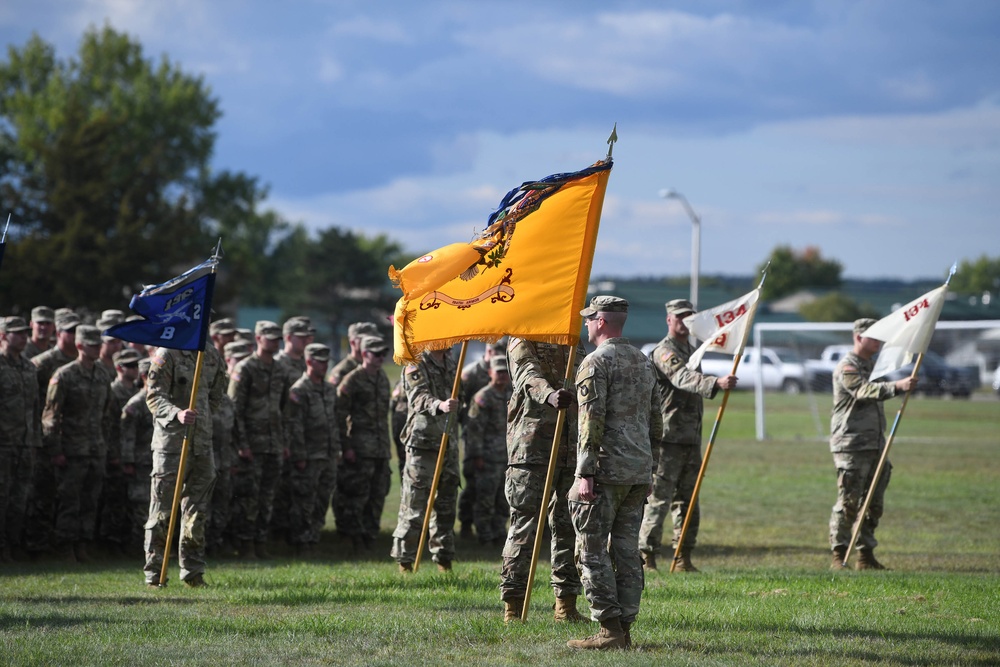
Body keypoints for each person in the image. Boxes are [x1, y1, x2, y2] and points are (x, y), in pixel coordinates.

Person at [567, 296, 661, 651]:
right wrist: (648, 469)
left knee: (591, 550)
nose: (587, 324)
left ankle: (608, 631)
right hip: (637, 472)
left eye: (590, 319)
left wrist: (584, 472)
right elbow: (656, 421)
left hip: (604, 471)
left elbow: (590, 421)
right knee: (626, 551)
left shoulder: (594, 363)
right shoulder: (644, 361)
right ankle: (625, 629)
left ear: (602, 322)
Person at [638, 299, 738, 573]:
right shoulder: (664, 351)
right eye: (679, 317)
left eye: (689, 318)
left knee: (689, 500)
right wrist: (714, 383)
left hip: (690, 438)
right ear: (669, 320)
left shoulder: (693, 351)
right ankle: (647, 557)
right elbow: (681, 378)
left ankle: (683, 556)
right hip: (667, 439)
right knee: (659, 500)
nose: (684, 322)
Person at [500, 337, 587, 623]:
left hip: (570, 447)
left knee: (567, 526)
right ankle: (513, 606)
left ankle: (566, 605)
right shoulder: (523, 338)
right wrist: (550, 395)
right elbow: (527, 373)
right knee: (525, 526)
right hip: (532, 446)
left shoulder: (571, 340)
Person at [828, 318, 917, 571]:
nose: (879, 342)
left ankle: (865, 557)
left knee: (873, 504)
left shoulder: (872, 366)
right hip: (851, 445)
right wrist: (897, 387)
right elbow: (863, 391)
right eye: (874, 337)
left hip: (875, 444)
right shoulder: (848, 366)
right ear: (859, 337)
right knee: (849, 502)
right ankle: (838, 555)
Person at [143, 343, 227, 587]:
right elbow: (154, 396)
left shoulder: (210, 355)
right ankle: (155, 574)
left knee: (196, 512)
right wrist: (176, 414)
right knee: (161, 512)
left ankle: (192, 571)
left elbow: (217, 394)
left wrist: (202, 421)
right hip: (171, 446)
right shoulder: (167, 353)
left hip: (201, 444)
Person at [41, 325, 111, 563]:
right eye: (93, 345)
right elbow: (51, 416)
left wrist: (106, 444)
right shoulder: (64, 375)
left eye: (98, 345)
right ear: (80, 346)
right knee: (70, 500)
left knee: (91, 500)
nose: (97, 349)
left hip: (95, 448)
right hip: (72, 450)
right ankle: (64, 547)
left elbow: (107, 414)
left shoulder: (102, 374)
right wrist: (55, 450)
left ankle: (83, 545)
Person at [391, 347, 460, 572]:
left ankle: (443, 559)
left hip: (448, 441)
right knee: (415, 505)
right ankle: (405, 562)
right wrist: (439, 405)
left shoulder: (452, 363)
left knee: (446, 505)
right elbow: (417, 396)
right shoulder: (416, 362)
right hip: (423, 443)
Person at [228, 320, 289, 560]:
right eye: (270, 338)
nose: (274, 342)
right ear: (258, 338)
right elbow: (235, 409)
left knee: (267, 497)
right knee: (249, 498)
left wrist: (284, 442)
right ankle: (245, 545)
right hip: (251, 445)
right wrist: (242, 444)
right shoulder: (245, 368)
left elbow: (283, 410)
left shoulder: (281, 370)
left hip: (273, 444)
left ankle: (260, 543)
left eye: (277, 339)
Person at [24, 310, 80, 556]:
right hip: (42, 437)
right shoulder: (42, 363)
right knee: (42, 494)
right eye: (69, 330)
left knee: (67, 496)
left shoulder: (80, 361)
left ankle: (59, 546)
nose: (44, 327)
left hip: (74, 438)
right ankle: (35, 547)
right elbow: (33, 404)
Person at [335, 335, 391, 552]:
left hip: (381, 448)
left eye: (382, 354)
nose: (380, 358)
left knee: (378, 495)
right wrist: (346, 446)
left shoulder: (383, 378)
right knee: (357, 495)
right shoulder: (352, 380)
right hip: (359, 448)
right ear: (365, 354)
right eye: (376, 354)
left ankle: (370, 537)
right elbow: (339, 414)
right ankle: (352, 537)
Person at [283, 343, 341, 555]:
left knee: (322, 499)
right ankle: (301, 542)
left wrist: (336, 451)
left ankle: (314, 537)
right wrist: (299, 454)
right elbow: (295, 425)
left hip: (327, 454)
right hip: (308, 455)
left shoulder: (328, 389)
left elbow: (334, 422)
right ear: (309, 362)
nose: (324, 365)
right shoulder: (299, 390)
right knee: (304, 500)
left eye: (326, 361)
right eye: (320, 361)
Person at [0, 317, 40, 563]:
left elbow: (35, 408)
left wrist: (36, 440)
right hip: (3, 443)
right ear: (3, 336)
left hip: (25, 444)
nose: (24, 337)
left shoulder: (29, 367)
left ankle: (12, 546)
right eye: (17, 333)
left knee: (20, 497)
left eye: (26, 332)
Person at [457, 340, 505, 539]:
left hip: (499, 446)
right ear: (488, 350)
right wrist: (474, 446)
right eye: (494, 351)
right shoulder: (471, 374)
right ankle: (467, 524)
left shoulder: (506, 381)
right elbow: (462, 404)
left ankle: (495, 528)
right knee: (474, 485)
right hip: (476, 438)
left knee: (497, 491)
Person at [98, 347, 143, 554]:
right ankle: (111, 544)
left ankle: (127, 543)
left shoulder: (137, 392)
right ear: (119, 367)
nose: (135, 369)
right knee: (115, 500)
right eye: (130, 366)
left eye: (137, 365)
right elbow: (109, 425)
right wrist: (116, 455)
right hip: (117, 451)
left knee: (131, 501)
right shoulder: (113, 391)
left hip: (134, 451)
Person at [120, 358, 155, 554]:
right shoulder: (137, 404)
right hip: (141, 462)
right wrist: (128, 461)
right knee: (141, 505)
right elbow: (127, 435)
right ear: (144, 376)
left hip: (157, 461)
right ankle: (137, 547)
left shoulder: (161, 402)